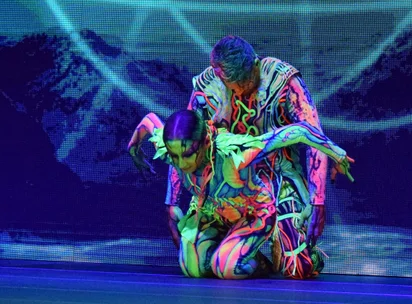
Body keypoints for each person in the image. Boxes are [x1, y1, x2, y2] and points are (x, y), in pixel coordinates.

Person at [159, 36, 338, 278]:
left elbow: (313, 134)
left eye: (246, 80)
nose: (241, 90)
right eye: (233, 84)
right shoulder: (207, 86)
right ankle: (242, 255)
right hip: (224, 189)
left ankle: (290, 248)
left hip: (276, 182)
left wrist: (317, 200)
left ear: (255, 64)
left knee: (297, 268)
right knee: (195, 266)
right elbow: (184, 140)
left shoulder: (282, 80)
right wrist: (172, 202)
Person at [129, 109, 352, 279]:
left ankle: (263, 263)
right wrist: (133, 147)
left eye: (187, 154)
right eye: (175, 156)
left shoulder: (234, 153)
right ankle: (232, 249)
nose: (181, 163)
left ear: (205, 142)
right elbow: (149, 121)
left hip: (252, 213)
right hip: (213, 213)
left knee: (225, 268)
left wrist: (338, 154)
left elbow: (299, 132)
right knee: (193, 269)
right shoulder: (171, 146)